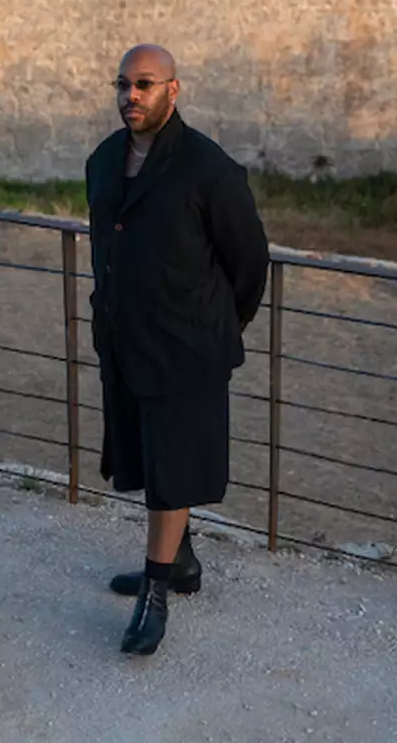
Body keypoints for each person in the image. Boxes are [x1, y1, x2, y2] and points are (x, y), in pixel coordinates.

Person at [85, 44, 270, 656]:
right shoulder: (105, 160)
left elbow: (249, 262)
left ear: (173, 90)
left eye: (143, 84)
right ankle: (180, 561)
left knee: (174, 471)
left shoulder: (208, 169)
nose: (130, 96)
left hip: (187, 348)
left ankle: (155, 595)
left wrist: (215, 325)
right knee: (149, 458)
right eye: (122, 85)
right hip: (125, 341)